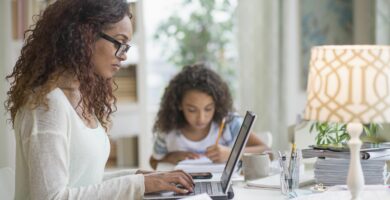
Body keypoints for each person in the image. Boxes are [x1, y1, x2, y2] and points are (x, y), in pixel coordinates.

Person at [5, 0, 194, 199]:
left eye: (126, 47)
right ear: (85, 36)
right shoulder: (46, 105)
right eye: (119, 42)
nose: (123, 56)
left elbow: (86, 182)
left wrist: (142, 178)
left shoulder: (78, 96)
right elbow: (52, 197)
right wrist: (139, 184)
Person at [150, 63, 271, 169]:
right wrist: (171, 157)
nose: (201, 118)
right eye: (192, 110)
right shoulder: (167, 130)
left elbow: (268, 152)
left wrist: (232, 154)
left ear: (217, 105)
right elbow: (154, 161)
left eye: (208, 109)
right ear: (179, 104)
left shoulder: (229, 124)